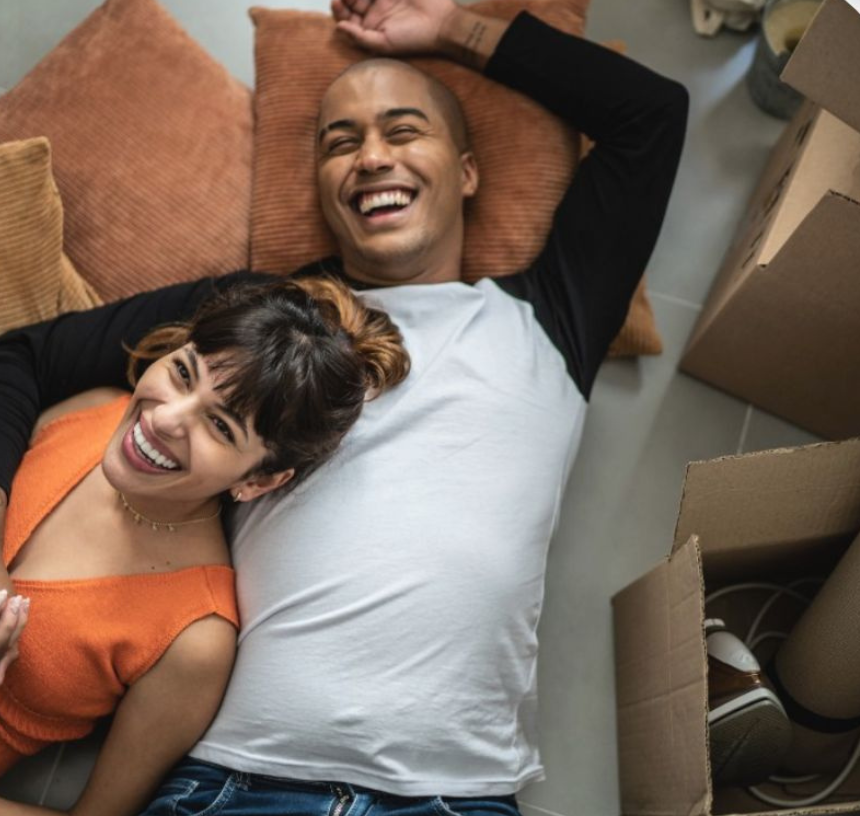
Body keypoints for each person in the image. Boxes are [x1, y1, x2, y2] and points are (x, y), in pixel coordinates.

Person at [0, 0, 689, 813]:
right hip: (233, 782)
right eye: (340, 142)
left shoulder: (549, 316)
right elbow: (25, 355)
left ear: (467, 172)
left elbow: (652, 115)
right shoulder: (260, 318)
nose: (369, 157)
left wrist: (450, 31)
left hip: (453, 794)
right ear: (323, 189)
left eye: (402, 131)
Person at [0, 277, 409, 815]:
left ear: (259, 481)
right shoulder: (88, 411)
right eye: (182, 372)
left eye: (219, 425)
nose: (164, 417)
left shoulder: (194, 638)